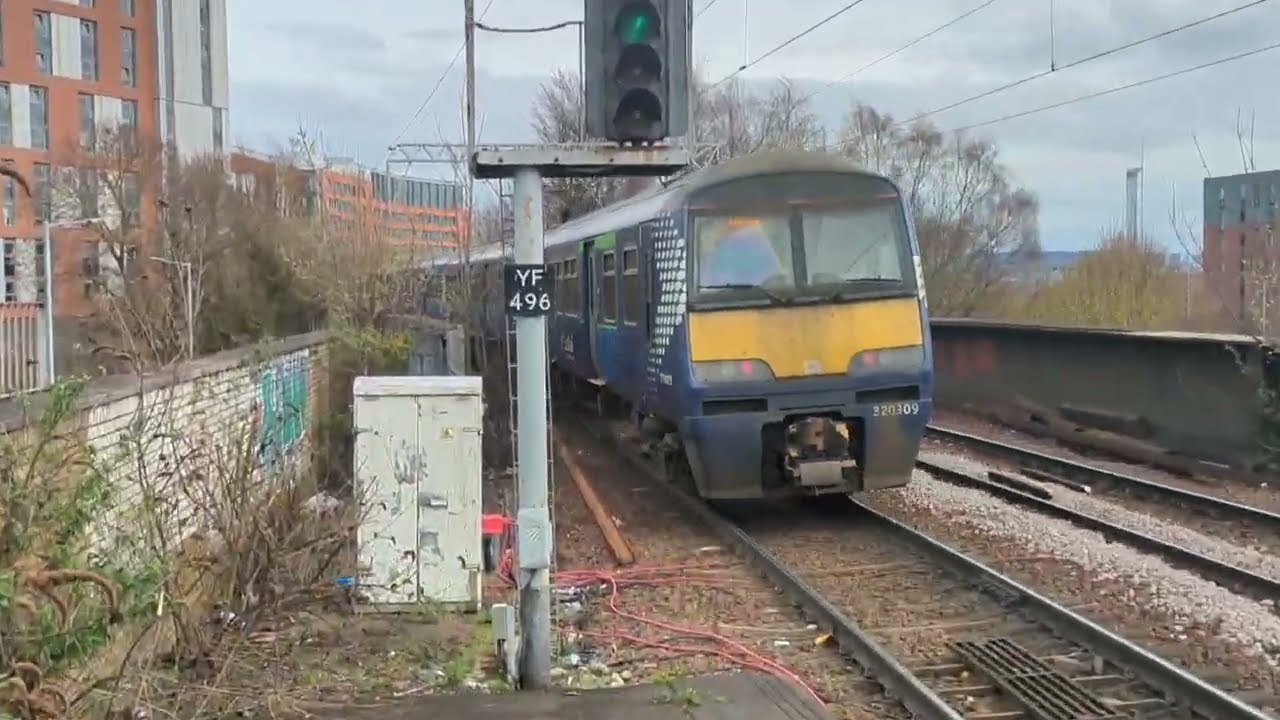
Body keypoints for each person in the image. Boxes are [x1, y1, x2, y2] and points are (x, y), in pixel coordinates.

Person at [699, 221, 787, 288]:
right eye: (707, 238)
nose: (713, 241)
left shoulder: (731, 258)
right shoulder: (697, 267)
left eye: (716, 239)